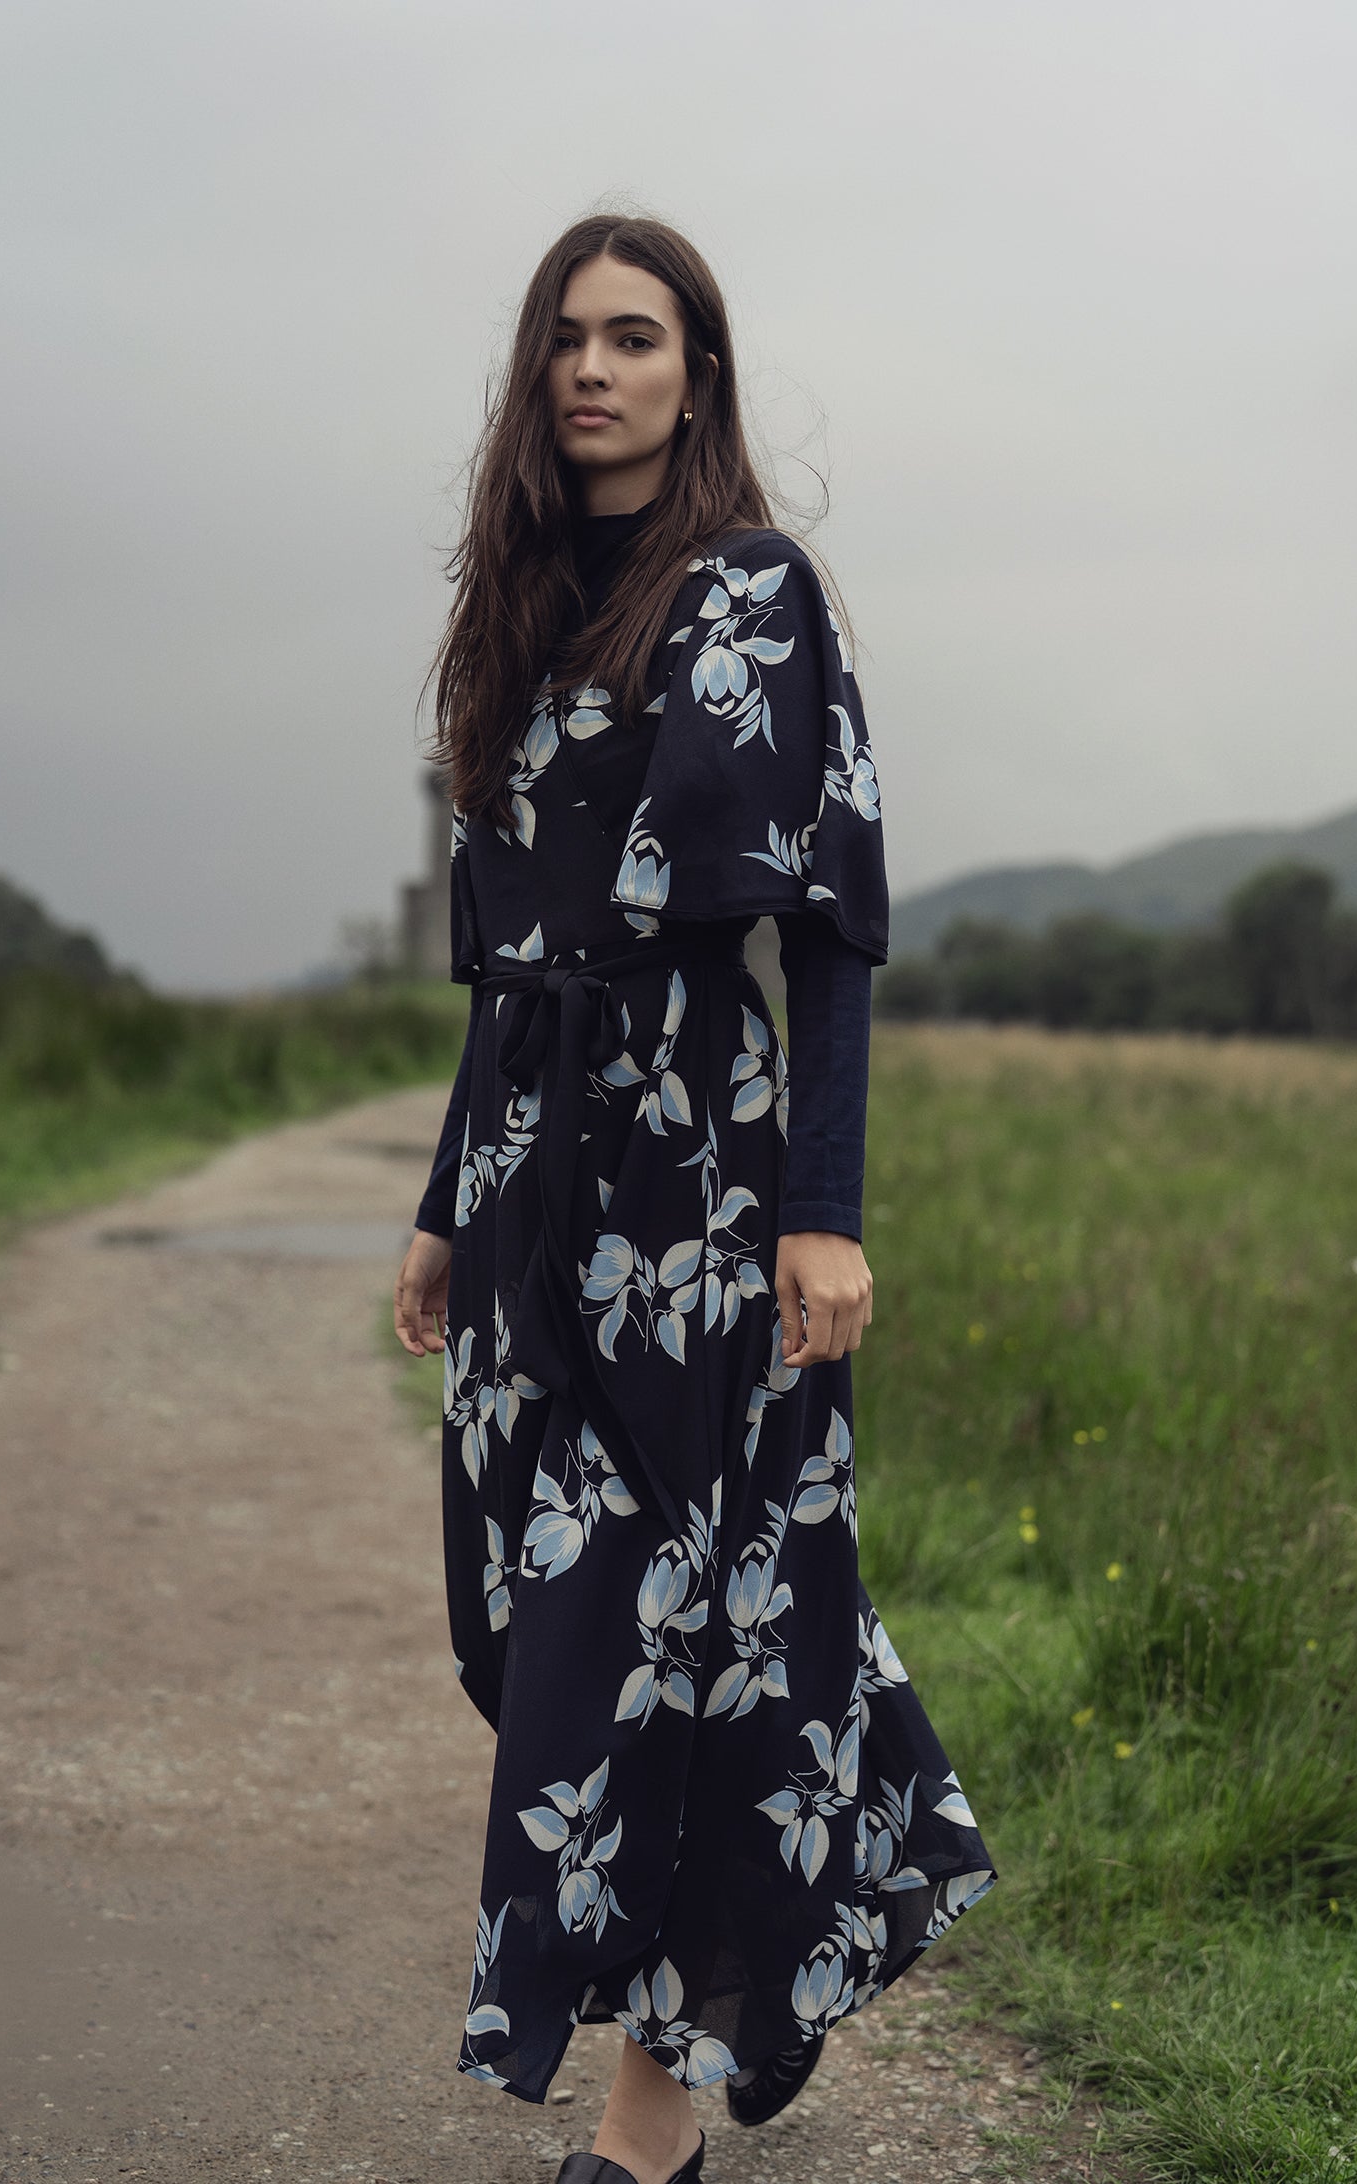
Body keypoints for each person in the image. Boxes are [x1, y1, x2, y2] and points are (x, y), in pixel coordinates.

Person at [394, 212, 996, 2184]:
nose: (591, 367)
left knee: (651, 1632)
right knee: (554, 1625)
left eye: (632, 336)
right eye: (563, 336)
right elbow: (506, 965)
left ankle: (645, 2132)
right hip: (519, 1177)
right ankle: (820, 1889)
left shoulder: (748, 596)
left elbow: (819, 940)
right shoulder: (520, 616)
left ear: (694, 373)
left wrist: (819, 1211)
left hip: (688, 1184)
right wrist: (434, 1199)